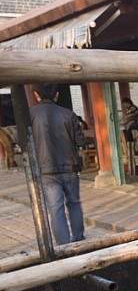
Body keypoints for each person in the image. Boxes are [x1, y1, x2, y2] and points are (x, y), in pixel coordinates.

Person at [29, 83, 87, 245]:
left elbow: (21, 140)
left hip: (46, 168)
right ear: (57, 95)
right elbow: (81, 141)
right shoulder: (68, 114)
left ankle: (64, 245)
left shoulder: (30, 115)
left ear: (36, 95)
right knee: (74, 204)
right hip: (70, 167)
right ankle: (79, 240)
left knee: (55, 208)